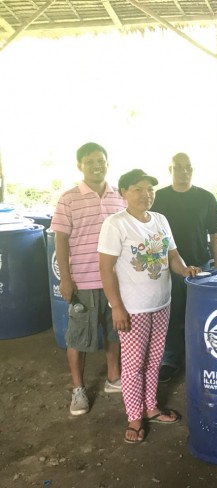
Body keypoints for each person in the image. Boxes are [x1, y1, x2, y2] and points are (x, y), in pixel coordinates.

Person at [98, 169, 201, 444]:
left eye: (150, 189)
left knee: (155, 359)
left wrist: (184, 270)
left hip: (161, 302)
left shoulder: (160, 220)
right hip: (133, 308)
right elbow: (106, 269)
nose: (146, 194)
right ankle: (134, 417)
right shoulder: (116, 224)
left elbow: (172, 255)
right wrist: (116, 307)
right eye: (138, 189)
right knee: (133, 365)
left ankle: (151, 407)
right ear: (123, 193)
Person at [51, 142, 126, 416]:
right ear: (80, 165)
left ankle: (113, 378)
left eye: (102, 160)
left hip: (116, 282)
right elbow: (60, 240)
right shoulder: (68, 198)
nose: (97, 165)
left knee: (115, 332)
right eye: (91, 160)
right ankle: (78, 389)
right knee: (78, 337)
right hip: (83, 281)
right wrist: (65, 278)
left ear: (108, 162)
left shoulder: (120, 195)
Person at [150, 152, 217, 383]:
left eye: (188, 166)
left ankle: (200, 357)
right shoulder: (158, 198)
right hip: (166, 267)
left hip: (200, 266)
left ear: (193, 169)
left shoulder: (206, 198)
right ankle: (170, 360)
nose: (184, 170)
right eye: (178, 167)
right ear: (169, 169)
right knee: (170, 315)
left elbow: (215, 232)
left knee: (200, 316)